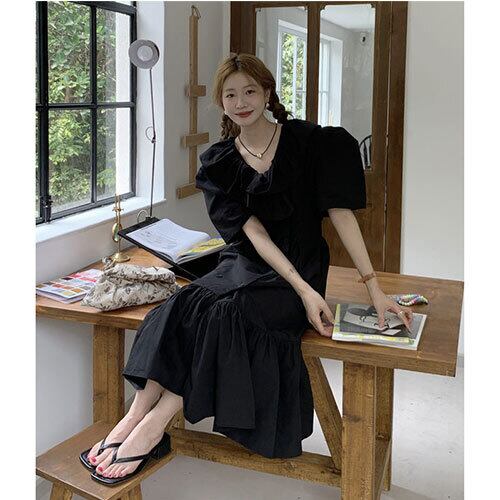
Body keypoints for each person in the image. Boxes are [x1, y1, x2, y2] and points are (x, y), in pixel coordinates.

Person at [81, 53, 413, 485]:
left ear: (268, 92)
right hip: (249, 260)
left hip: (301, 269)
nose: (241, 102)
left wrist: (369, 288)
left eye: (250, 91)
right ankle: (135, 414)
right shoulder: (220, 162)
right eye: (231, 95)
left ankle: (156, 424)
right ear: (220, 102)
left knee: (227, 315)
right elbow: (253, 234)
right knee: (183, 305)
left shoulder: (310, 142)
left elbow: (341, 214)